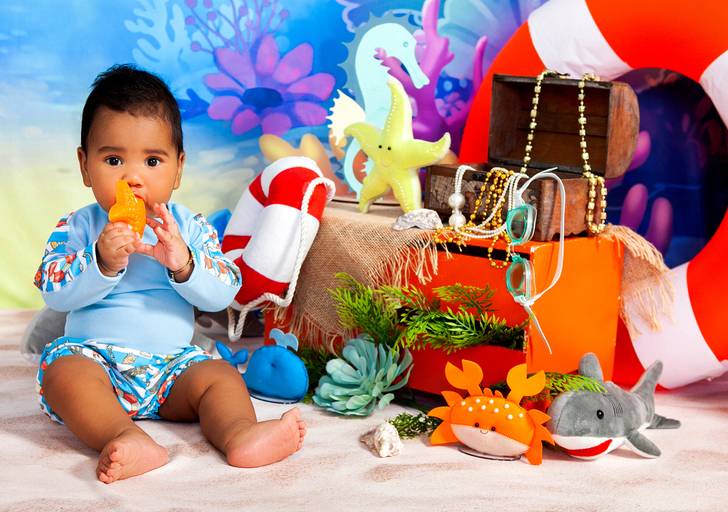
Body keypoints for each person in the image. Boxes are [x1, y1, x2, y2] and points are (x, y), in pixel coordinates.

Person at [33, 64, 306, 484]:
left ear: (178, 169)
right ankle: (124, 436)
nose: (132, 177)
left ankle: (240, 434)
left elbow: (225, 290)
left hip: (173, 369)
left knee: (219, 376)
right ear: (85, 166)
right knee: (63, 372)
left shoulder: (190, 228)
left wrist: (185, 263)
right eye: (113, 159)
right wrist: (99, 260)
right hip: (97, 362)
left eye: (152, 160)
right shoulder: (78, 226)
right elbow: (53, 290)